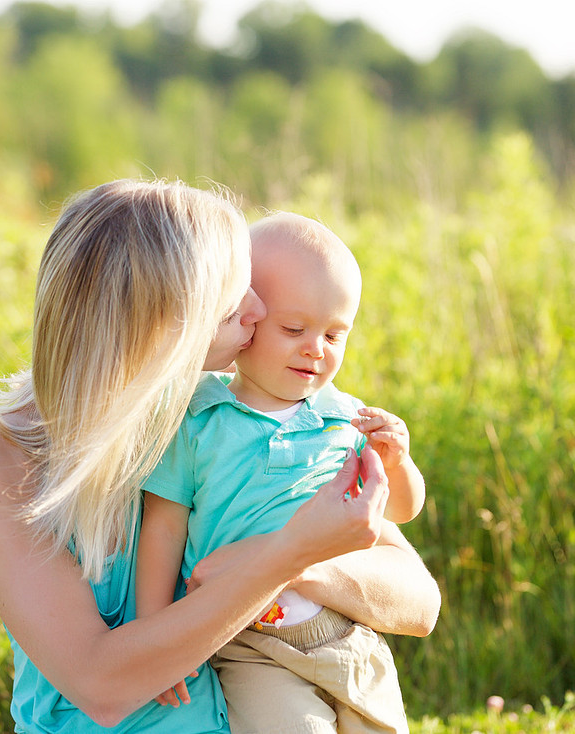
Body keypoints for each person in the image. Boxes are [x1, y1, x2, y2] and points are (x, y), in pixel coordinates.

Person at [0, 181, 441, 733]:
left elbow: (417, 602)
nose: (257, 308)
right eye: (233, 295)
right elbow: (102, 686)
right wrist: (285, 554)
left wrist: (304, 562)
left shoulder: (229, 417)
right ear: (161, 322)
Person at [138, 212, 429, 733]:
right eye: (294, 329)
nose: (316, 348)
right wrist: (156, 636)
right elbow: (162, 529)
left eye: (336, 335)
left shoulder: (344, 419)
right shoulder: (200, 421)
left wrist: (398, 461)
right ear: (245, 321)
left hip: (347, 630)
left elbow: (401, 511)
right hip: (250, 640)